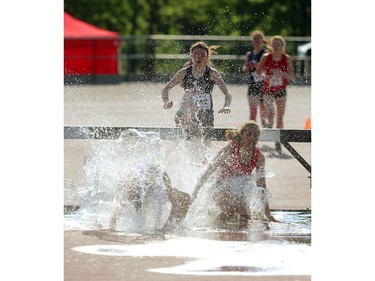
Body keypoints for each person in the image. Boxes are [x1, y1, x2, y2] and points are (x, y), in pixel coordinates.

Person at [191, 121, 279, 223]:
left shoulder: (259, 157)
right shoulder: (232, 148)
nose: (252, 138)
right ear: (241, 135)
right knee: (229, 211)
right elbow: (211, 168)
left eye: (255, 135)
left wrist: (268, 214)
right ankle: (215, 229)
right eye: (248, 134)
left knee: (245, 218)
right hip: (221, 185)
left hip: (240, 188)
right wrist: (195, 191)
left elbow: (262, 185)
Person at [161, 41, 232, 140]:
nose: (199, 57)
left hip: (206, 112)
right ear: (191, 56)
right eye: (196, 55)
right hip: (187, 111)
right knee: (189, 141)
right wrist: (166, 102)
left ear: (207, 57)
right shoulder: (184, 72)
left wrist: (226, 106)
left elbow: (227, 93)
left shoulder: (212, 73)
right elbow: (165, 89)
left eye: (202, 55)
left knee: (206, 143)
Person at [256, 35, 294, 153]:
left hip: (281, 90)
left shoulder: (286, 58)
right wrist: (266, 76)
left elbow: (291, 76)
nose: (276, 46)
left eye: (279, 44)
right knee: (271, 112)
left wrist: (281, 74)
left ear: (282, 46)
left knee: (280, 117)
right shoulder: (266, 57)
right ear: (271, 45)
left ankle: (278, 141)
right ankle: (268, 126)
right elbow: (258, 71)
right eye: (274, 44)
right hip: (268, 89)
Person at [242, 31, 269, 127]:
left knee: (262, 107)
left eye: (259, 38)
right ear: (252, 41)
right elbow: (244, 68)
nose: (257, 41)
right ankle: (252, 127)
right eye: (255, 39)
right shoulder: (249, 54)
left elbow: (267, 68)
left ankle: (264, 124)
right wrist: (248, 67)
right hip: (253, 83)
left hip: (263, 83)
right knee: (252, 108)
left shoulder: (265, 53)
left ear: (262, 40)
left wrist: (257, 66)